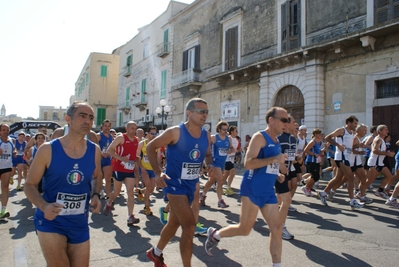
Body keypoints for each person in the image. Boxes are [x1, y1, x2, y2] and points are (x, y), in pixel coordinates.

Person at [204, 107, 287, 266]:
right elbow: (248, 163)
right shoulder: (259, 137)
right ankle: (215, 234)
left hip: (268, 190)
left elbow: (270, 163)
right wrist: (275, 159)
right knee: (244, 228)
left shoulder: (277, 141)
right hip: (252, 189)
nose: (286, 123)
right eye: (283, 120)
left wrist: (278, 172)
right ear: (271, 120)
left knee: (276, 228)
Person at [24, 102, 103, 266]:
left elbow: (97, 176)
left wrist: (95, 195)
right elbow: (30, 185)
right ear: (68, 119)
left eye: (91, 117)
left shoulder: (94, 150)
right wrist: (44, 206)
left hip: (80, 223)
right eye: (82, 116)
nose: (87, 121)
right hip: (51, 221)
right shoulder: (48, 149)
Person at [146, 98, 212, 267]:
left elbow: (207, 154)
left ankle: (156, 252)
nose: (204, 114)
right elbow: (150, 147)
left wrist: (210, 165)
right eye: (200, 111)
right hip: (174, 184)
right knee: (190, 226)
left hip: (191, 184)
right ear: (188, 113)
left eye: (206, 111)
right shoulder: (175, 132)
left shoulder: (205, 134)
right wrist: (157, 172)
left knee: (174, 222)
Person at [318, 115, 364, 210]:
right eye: (355, 123)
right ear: (349, 123)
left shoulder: (352, 133)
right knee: (351, 178)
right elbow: (328, 137)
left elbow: (350, 147)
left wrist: (359, 145)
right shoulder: (341, 130)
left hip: (348, 157)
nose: (356, 125)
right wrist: (338, 145)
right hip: (341, 158)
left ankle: (323, 193)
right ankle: (352, 201)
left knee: (338, 178)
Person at [103, 121, 141, 226]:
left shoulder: (137, 140)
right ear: (127, 128)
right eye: (132, 128)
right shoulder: (121, 138)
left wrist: (137, 163)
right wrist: (121, 158)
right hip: (119, 169)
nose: (134, 131)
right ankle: (109, 202)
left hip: (130, 170)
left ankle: (130, 216)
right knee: (116, 192)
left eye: (135, 128)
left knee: (130, 193)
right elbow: (109, 150)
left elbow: (133, 155)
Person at [200, 121, 233, 208]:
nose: (226, 131)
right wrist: (205, 162)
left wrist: (231, 150)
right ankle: (220, 201)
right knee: (220, 180)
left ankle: (202, 195)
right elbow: (204, 144)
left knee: (211, 180)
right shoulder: (214, 138)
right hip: (215, 162)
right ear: (219, 129)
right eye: (224, 129)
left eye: (227, 129)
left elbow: (231, 149)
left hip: (222, 162)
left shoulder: (228, 138)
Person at [364, 125, 395, 199]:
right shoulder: (378, 140)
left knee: (389, 176)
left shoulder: (382, 139)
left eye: (387, 130)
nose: (387, 131)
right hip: (374, 163)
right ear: (379, 131)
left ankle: (380, 191)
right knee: (370, 180)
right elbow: (374, 150)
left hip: (380, 163)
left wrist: (389, 153)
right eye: (385, 130)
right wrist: (387, 154)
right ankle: (359, 192)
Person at [136, 126, 159, 216]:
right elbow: (137, 156)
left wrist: (159, 168)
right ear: (147, 134)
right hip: (144, 169)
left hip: (153, 169)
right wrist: (141, 167)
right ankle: (146, 207)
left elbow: (158, 157)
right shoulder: (142, 143)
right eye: (152, 133)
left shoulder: (157, 144)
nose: (153, 135)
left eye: (155, 134)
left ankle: (140, 191)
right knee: (149, 186)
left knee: (152, 189)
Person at [0, 124, 16, 218]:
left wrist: (14, 152)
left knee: (5, 188)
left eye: (7, 130)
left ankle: (3, 209)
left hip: (6, 166)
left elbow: (14, 149)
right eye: (3, 130)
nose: (6, 132)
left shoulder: (11, 140)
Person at [96, 119, 114, 199]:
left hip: (107, 160)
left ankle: (108, 195)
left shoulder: (111, 137)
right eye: (105, 126)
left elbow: (112, 148)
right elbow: (94, 147)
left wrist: (110, 153)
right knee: (99, 178)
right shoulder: (98, 135)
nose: (107, 128)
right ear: (102, 126)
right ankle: (97, 193)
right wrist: (101, 153)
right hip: (99, 160)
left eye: (108, 126)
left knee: (108, 178)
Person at [222, 125, 239, 196]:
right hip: (226, 159)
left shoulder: (236, 140)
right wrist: (228, 150)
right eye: (236, 131)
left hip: (231, 159)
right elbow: (224, 147)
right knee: (233, 172)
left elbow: (235, 149)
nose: (237, 132)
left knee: (225, 175)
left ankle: (219, 186)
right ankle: (228, 188)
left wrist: (237, 151)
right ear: (232, 132)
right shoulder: (229, 138)